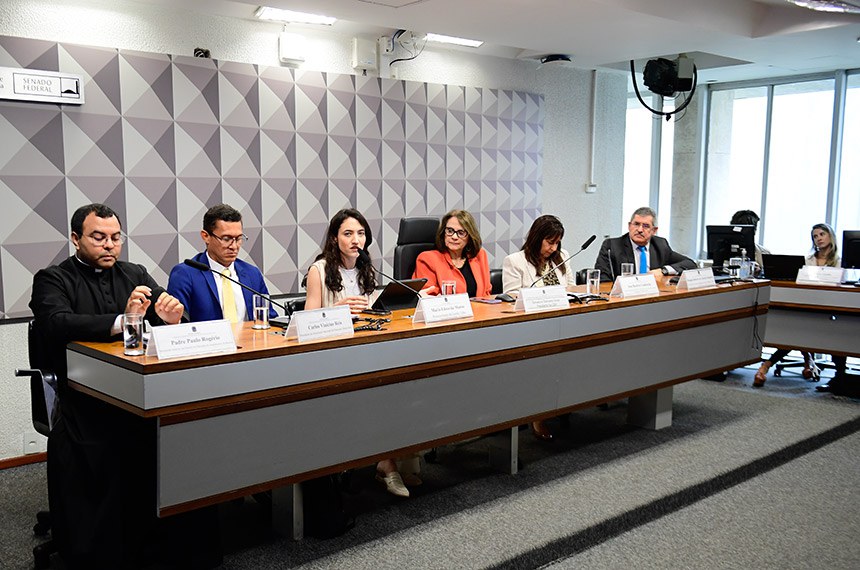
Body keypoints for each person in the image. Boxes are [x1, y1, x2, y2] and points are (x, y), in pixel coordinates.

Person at [29, 204, 221, 569]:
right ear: (75, 239)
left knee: (183, 438)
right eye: (98, 237)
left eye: (116, 238)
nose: (109, 246)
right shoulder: (53, 278)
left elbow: (170, 319)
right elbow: (56, 323)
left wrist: (171, 317)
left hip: (142, 395)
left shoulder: (135, 273)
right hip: (85, 399)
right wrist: (124, 320)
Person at [304, 208, 412, 497]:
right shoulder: (320, 270)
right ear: (334, 238)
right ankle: (380, 465)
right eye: (348, 233)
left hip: (367, 348)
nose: (356, 240)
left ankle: (387, 461)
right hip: (333, 355)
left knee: (396, 387)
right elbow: (307, 321)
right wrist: (337, 310)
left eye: (361, 233)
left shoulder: (368, 267)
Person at [502, 214, 574, 440]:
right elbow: (510, 296)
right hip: (530, 328)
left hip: (562, 322)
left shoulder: (562, 257)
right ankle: (537, 415)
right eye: (549, 242)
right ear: (537, 238)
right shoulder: (515, 261)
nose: (553, 248)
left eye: (557, 242)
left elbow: (572, 287)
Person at [753, 223, 850, 391]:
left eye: (822, 234)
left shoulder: (840, 262)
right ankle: (773, 364)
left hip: (830, 309)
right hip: (808, 304)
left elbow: (841, 285)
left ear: (830, 236)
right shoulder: (808, 260)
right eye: (815, 236)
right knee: (795, 332)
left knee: (838, 337)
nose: (818, 238)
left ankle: (838, 377)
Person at [168, 203, 277, 323]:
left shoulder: (252, 273)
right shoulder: (185, 274)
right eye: (226, 239)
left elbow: (269, 319)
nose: (234, 246)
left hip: (250, 341)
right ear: (206, 236)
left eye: (239, 238)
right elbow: (178, 323)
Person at [594, 207, 696, 281]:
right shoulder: (612, 246)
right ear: (629, 226)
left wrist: (664, 271)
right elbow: (602, 279)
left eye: (646, 226)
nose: (639, 230)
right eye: (636, 224)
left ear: (654, 230)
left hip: (653, 298)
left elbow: (690, 263)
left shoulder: (660, 245)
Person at [413, 209, 492, 297]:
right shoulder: (427, 259)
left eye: (461, 233)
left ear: (470, 236)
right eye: (450, 231)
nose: (454, 237)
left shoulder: (480, 255)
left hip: (479, 310)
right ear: (443, 233)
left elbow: (486, 293)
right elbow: (428, 296)